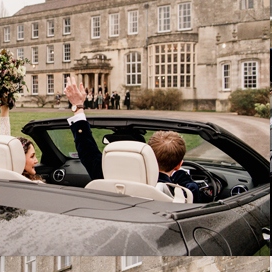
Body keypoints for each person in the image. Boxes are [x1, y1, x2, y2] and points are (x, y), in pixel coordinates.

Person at [63, 79, 212, 203]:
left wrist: (78, 107)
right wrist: (182, 177)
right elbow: (194, 194)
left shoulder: (107, 177)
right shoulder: (183, 192)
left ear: (149, 154)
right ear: (179, 164)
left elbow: (87, 151)